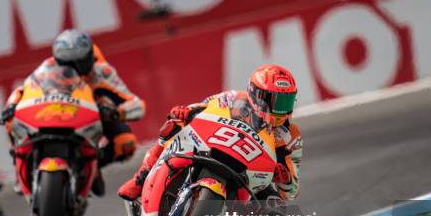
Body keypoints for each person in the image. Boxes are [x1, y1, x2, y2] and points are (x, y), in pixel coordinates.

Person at [118, 64, 303, 202]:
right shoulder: (235, 99)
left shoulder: (290, 137)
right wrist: (185, 112)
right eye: (277, 101)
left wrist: (285, 179)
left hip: (252, 175)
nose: (281, 109)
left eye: (286, 101)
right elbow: (204, 107)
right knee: (174, 127)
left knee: (275, 208)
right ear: (257, 94)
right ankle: (140, 179)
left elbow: (292, 191)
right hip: (219, 147)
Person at [0, 29, 146, 195]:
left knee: (125, 142)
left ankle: (92, 164)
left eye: (79, 62)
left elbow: (136, 105)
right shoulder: (49, 67)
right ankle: (19, 167)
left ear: (89, 57)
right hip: (56, 109)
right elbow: (23, 89)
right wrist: (11, 107)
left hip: (94, 112)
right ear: (58, 59)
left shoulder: (101, 72)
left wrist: (116, 112)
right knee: (12, 121)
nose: (74, 69)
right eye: (67, 64)